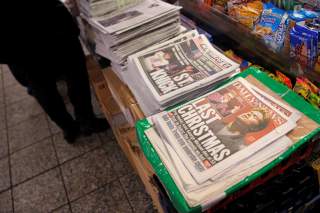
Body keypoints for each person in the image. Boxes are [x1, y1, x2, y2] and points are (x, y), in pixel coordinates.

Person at [0, 1, 110, 143]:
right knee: (74, 74)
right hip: (52, 26)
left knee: (43, 88)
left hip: (16, 44)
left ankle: (69, 127)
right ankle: (85, 120)